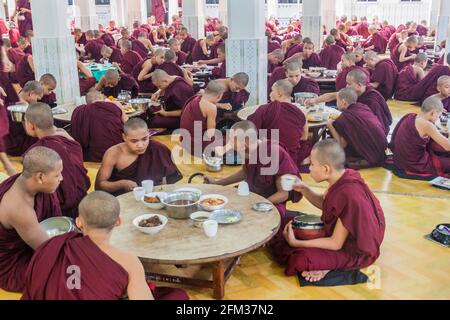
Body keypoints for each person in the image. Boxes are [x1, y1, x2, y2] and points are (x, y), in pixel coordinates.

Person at [22, 191, 189, 300]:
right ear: (118, 222)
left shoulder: (52, 246)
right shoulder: (128, 261)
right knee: (177, 295)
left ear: (79, 222)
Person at [270, 139, 385, 282]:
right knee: (282, 223)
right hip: (338, 235)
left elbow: (335, 243)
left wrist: (296, 243)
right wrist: (304, 189)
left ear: (326, 169)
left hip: (353, 249)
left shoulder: (349, 194)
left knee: (299, 260)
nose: (309, 167)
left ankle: (329, 266)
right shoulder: (341, 177)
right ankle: (326, 261)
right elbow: (327, 205)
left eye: (312, 164)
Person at [204, 121, 302, 218]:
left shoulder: (274, 152)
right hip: (253, 195)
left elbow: (283, 194)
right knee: (224, 203)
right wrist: (217, 183)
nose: (229, 143)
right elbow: (245, 172)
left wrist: (257, 205)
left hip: (272, 203)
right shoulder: (249, 152)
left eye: (232, 140)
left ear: (245, 143)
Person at [0, 147, 63, 292]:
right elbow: (49, 250)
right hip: (14, 262)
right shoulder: (19, 210)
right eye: (57, 175)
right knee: (66, 274)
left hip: (31, 239)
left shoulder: (25, 180)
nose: (61, 178)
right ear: (40, 177)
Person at [24, 103, 91, 218]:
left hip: (59, 209)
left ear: (30, 125)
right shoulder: (69, 139)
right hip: (83, 200)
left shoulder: (35, 153)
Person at [96, 118, 182, 196]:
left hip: (152, 196)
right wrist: (123, 183)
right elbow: (101, 184)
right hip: (123, 199)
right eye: (134, 141)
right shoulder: (114, 153)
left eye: (144, 139)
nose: (140, 145)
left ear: (148, 133)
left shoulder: (158, 149)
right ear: (124, 137)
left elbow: (167, 181)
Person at [306, 69, 392, 135]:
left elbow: (377, 125)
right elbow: (333, 95)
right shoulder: (354, 92)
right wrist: (314, 100)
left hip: (371, 134)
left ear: (359, 85)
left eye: (349, 84)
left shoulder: (372, 100)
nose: (346, 86)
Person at [249, 79, 310, 169]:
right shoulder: (301, 112)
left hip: (270, 158)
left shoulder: (265, 109)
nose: (270, 94)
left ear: (279, 93)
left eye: (272, 91)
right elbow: (304, 137)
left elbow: (251, 130)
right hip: (291, 159)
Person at [327, 88, 387, 169]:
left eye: (337, 100)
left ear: (343, 102)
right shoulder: (363, 107)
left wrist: (329, 125)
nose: (336, 103)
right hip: (381, 149)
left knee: (331, 154)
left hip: (369, 155)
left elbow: (342, 145)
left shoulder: (345, 118)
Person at [390, 96, 450, 175]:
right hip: (415, 164)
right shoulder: (427, 125)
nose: (437, 119)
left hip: (399, 160)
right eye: (438, 116)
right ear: (433, 113)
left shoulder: (411, 116)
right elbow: (448, 146)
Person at [71, 90, 128, 163]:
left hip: (92, 157)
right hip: (116, 152)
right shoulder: (114, 106)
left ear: (87, 102)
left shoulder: (80, 110)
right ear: (104, 99)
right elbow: (127, 123)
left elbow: (77, 135)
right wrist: (121, 108)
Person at [180, 81, 226, 157]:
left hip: (184, 141)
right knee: (226, 142)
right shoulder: (211, 108)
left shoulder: (195, 98)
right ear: (219, 95)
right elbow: (210, 133)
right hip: (197, 146)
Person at [4, 81, 43, 157]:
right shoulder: (22, 105)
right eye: (37, 98)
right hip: (15, 146)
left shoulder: (15, 97)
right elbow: (29, 132)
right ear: (31, 93)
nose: (36, 101)